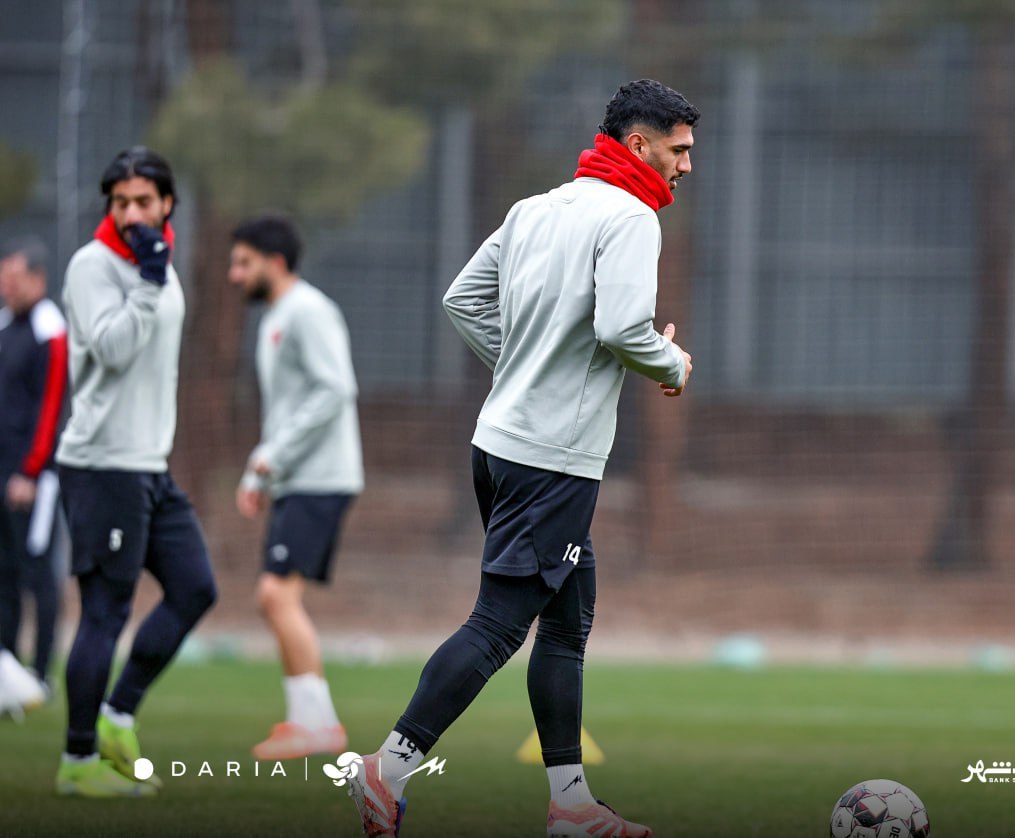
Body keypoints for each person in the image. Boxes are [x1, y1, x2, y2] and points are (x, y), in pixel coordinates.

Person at [346, 78, 698, 838]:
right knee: (500, 625)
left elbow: (462, 300)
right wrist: (671, 363)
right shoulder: (631, 217)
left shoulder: (534, 208)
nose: (686, 165)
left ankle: (570, 804)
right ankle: (388, 768)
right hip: (552, 462)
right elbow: (622, 329)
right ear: (638, 145)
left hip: (499, 444)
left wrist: (525, 369)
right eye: (678, 149)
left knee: (568, 621)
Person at [54, 146, 218, 797]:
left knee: (195, 587)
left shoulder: (159, 262)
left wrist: (153, 274)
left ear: (167, 203)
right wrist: (148, 281)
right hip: (103, 466)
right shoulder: (93, 266)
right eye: (119, 203)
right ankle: (77, 760)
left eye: (142, 202)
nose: (130, 214)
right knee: (105, 612)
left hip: (148, 465)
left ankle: (117, 715)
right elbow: (114, 349)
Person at [227, 214, 363, 761]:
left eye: (244, 263)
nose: (235, 275)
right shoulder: (277, 316)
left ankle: (318, 725)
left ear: (276, 262)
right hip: (296, 478)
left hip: (321, 478)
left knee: (274, 595)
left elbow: (335, 390)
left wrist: (270, 459)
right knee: (277, 598)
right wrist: (261, 472)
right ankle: (307, 719)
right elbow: (287, 410)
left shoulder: (308, 310)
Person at [0, 236, 68, 698]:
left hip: (34, 479)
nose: (7, 286)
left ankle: (41, 673)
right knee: (4, 574)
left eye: (15, 278)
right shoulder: (5, 325)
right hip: (2, 472)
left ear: (38, 279)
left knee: (39, 573)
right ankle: (8, 671)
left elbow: (51, 407)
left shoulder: (50, 330)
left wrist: (31, 470)